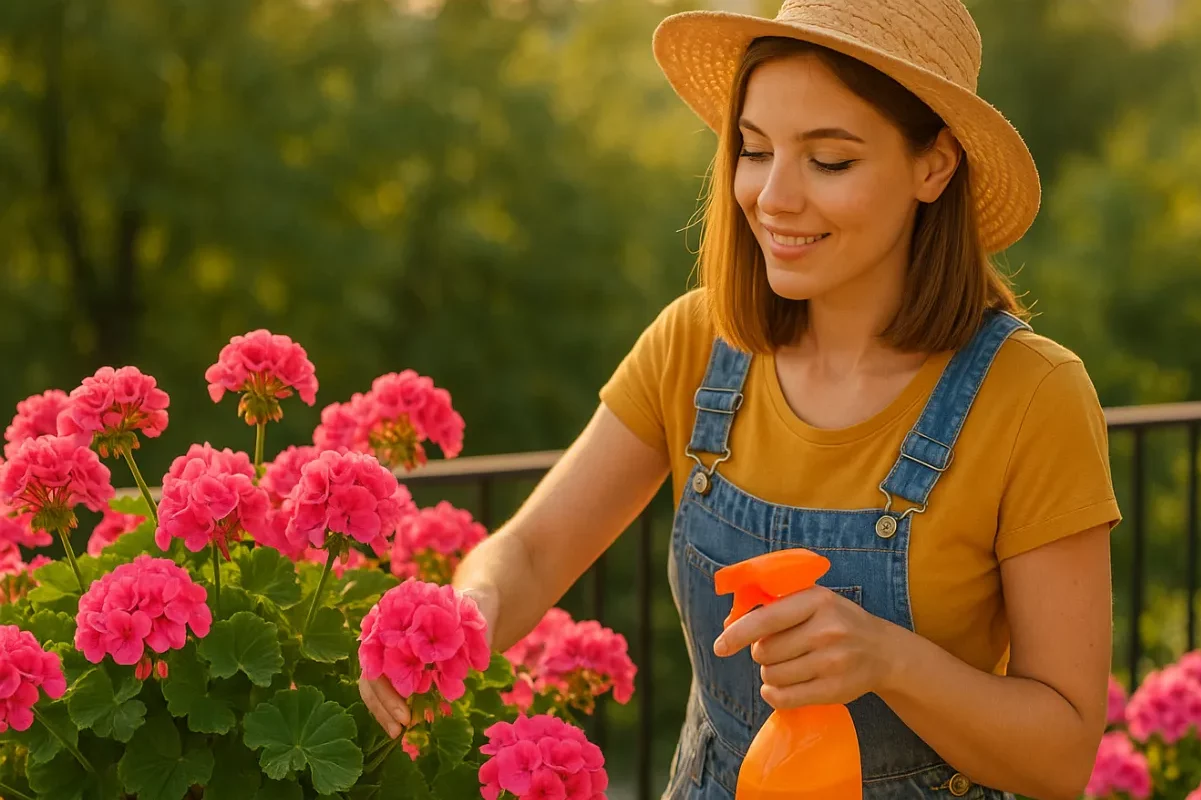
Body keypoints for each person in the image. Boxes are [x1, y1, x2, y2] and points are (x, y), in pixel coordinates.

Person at [361, 0, 1121, 797]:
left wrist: (888, 660)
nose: (773, 197)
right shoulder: (696, 345)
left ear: (934, 166)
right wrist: (467, 614)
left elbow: (1062, 754)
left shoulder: (1034, 396)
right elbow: (534, 551)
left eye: (829, 161)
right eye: (755, 151)